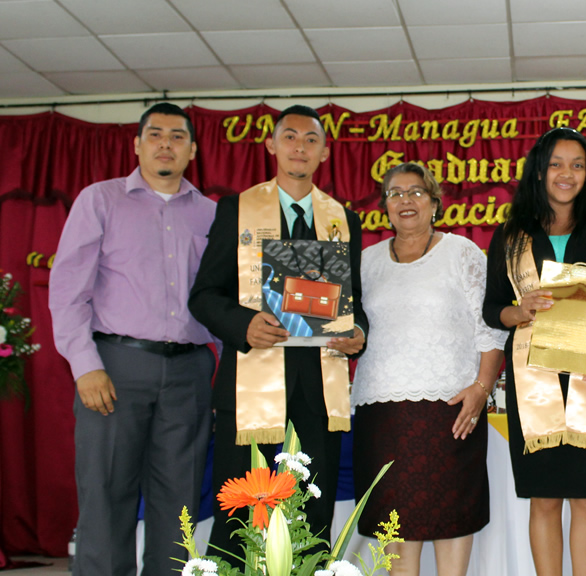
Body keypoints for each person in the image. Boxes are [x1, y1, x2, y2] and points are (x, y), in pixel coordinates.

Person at [189, 105, 368, 558]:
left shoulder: (343, 219)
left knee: (311, 515)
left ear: (325, 152)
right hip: (251, 388)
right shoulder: (237, 208)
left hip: (317, 392)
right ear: (271, 145)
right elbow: (205, 295)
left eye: (311, 140)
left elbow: (355, 303)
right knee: (242, 515)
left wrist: (357, 334)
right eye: (290, 137)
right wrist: (244, 324)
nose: (300, 148)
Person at [49, 103, 216, 576]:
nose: (166, 143)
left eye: (177, 136)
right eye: (156, 134)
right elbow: (66, 291)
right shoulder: (99, 200)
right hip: (115, 368)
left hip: (189, 371)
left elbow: (220, 296)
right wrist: (85, 365)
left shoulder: (211, 214)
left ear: (192, 150)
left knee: (179, 498)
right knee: (106, 494)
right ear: (137, 144)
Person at [483, 127, 586, 576]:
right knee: (545, 497)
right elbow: (492, 308)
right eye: (556, 164)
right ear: (539, 171)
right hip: (533, 375)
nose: (566, 174)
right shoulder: (511, 235)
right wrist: (519, 310)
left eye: (577, 164)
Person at [350, 162, 506, 576]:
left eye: (416, 192)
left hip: (451, 410)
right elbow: (352, 330)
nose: (406, 200)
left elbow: (490, 329)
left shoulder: (462, 253)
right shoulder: (365, 262)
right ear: (384, 205)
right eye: (395, 193)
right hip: (381, 414)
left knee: (452, 519)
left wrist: (481, 387)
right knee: (396, 530)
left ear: (435, 203)